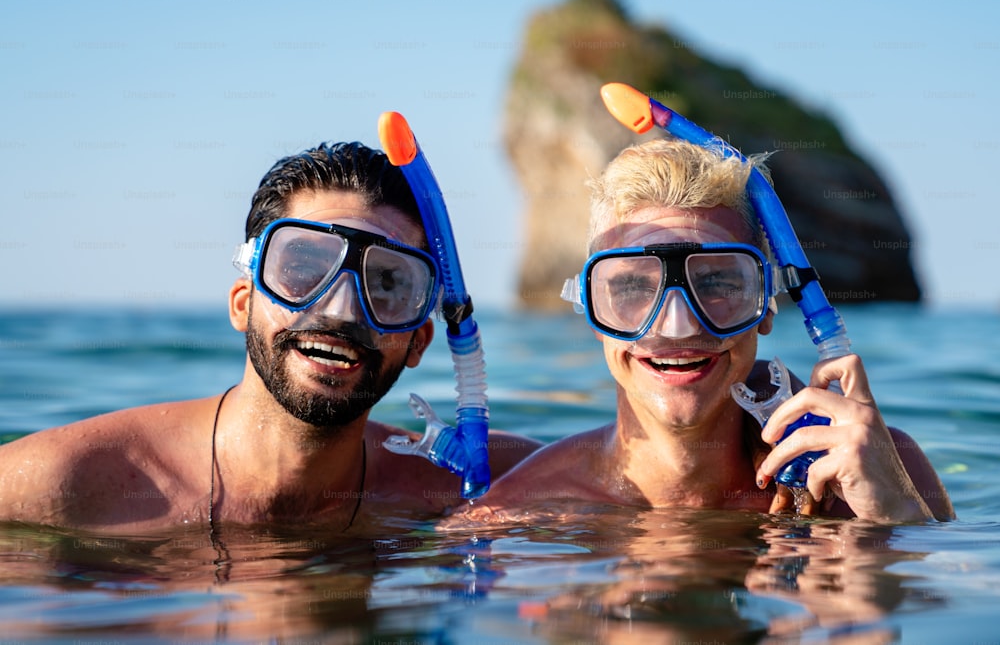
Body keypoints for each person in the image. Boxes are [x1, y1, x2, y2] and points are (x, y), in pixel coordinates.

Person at [0, 142, 540, 534]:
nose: (341, 308)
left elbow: (617, 478)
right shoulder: (62, 484)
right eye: (304, 267)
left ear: (419, 340)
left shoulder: (476, 484)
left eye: (388, 284)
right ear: (242, 302)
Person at [460, 138, 953, 524]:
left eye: (717, 281)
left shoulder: (883, 467)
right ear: (594, 313)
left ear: (765, 306)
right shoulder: (520, 514)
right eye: (632, 287)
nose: (678, 326)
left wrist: (898, 516)